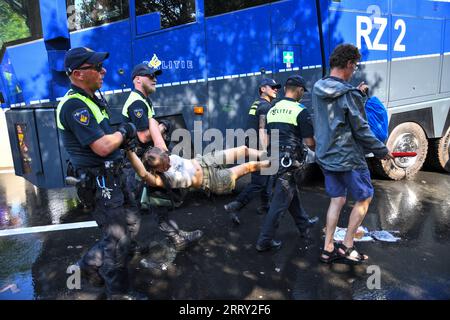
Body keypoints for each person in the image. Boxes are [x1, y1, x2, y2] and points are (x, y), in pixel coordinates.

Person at [57, 47, 142, 299]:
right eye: (96, 67)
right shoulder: (74, 105)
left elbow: (109, 138)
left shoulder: (92, 99)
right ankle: (119, 293)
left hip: (115, 178)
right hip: (101, 182)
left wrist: (123, 140)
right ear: (78, 74)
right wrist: (124, 132)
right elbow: (103, 146)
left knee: (131, 225)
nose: (103, 70)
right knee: (116, 241)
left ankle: (88, 266)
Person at [312, 44, 393, 264]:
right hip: (349, 158)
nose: (354, 69)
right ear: (348, 64)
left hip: (326, 157)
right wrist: (382, 150)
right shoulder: (350, 94)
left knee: (336, 200)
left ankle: (327, 247)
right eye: (354, 66)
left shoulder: (318, 87)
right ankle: (347, 245)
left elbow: (332, 115)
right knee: (365, 197)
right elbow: (362, 130)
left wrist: (356, 93)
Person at [122, 62, 203, 251]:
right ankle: (123, 250)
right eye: (150, 76)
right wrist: (164, 126)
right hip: (136, 165)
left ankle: (177, 237)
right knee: (133, 212)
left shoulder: (143, 100)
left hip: (146, 162)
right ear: (137, 79)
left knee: (160, 202)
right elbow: (143, 136)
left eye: (154, 75)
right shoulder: (136, 102)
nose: (155, 79)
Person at [255, 75, 318, 252]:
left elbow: (266, 138)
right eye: (303, 92)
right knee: (279, 202)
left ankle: (304, 225)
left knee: (290, 192)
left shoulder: (273, 109)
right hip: (289, 161)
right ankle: (264, 240)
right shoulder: (301, 110)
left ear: (285, 89)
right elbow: (309, 142)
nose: (302, 95)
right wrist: (319, 152)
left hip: (275, 158)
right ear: (299, 90)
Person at [223, 78, 281, 224]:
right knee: (258, 182)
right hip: (260, 148)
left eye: (277, 87)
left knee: (268, 177)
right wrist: (264, 152)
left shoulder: (256, 104)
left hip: (253, 146)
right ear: (263, 89)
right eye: (272, 87)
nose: (276, 89)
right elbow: (262, 130)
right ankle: (234, 206)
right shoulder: (265, 107)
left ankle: (265, 205)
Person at [127, 146, 269, 195]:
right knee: (249, 166)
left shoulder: (163, 154)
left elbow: (155, 129)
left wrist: (161, 125)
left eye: (167, 157)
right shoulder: (160, 180)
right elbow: (143, 174)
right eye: (165, 164)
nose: (168, 161)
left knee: (243, 150)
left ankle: (268, 154)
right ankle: (274, 163)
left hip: (205, 160)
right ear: (157, 169)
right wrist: (128, 150)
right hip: (212, 180)